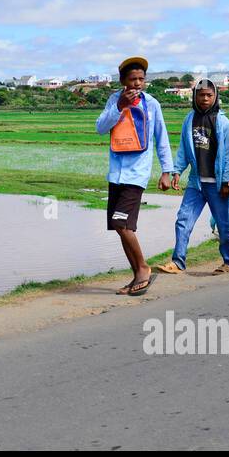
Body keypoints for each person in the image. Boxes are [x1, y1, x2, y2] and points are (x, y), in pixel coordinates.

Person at [96, 56, 173, 296]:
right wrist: (119, 106)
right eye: (133, 79)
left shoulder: (152, 104)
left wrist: (167, 172)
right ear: (122, 82)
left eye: (141, 79)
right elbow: (100, 128)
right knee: (120, 227)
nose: (138, 83)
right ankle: (136, 275)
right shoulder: (113, 100)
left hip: (136, 175)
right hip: (116, 174)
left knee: (121, 223)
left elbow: (161, 138)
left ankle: (143, 269)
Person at [158, 78, 229, 275]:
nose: (205, 99)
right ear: (195, 96)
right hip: (196, 182)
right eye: (201, 95)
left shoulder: (222, 122)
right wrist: (177, 171)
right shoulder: (189, 119)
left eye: (209, 95)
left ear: (215, 97)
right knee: (183, 220)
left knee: (224, 223)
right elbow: (184, 150)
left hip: (217, 184)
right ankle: (178, 262)